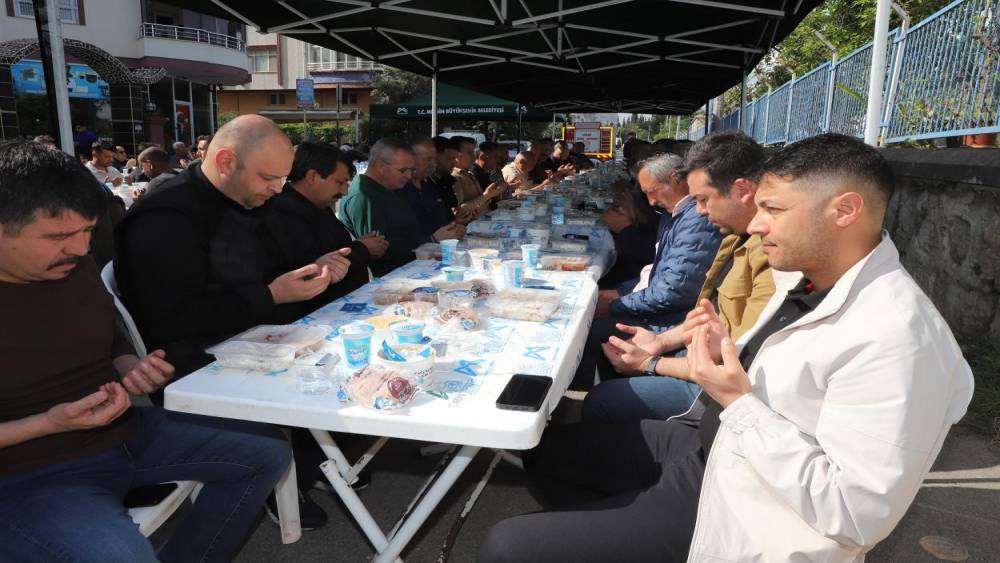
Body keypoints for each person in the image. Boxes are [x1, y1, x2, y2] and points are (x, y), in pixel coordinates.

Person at [479, 133, 975, 563]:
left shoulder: (899, 338)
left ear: (844, 211)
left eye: (774, 210)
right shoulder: (813, 278)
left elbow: (853, 513)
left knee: (506, 546)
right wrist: (713, 352)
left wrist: (737, 401)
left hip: (749, 506)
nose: (756, 225)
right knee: (545, 451)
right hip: (715, 449)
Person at [0, 141, 291, 563]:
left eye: (87, 231)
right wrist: (48, 422)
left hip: (121, 432)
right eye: (59, 236)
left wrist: (129, 367)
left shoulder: (72, 264)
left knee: (265, 453)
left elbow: (109, 333)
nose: (81, 249)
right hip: (30, 473)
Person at [587, 131, 774, 423]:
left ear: (742, 190)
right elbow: (705, 314)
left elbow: (730, 360)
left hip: (708, 392)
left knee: (601, 400)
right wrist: (660, 342)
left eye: (702, 199)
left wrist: (651, 362)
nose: (699, 210)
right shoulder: (735, 236)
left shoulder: (768, 252)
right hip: (687, 348)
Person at [572, 153, 721, 390]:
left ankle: (611, 394)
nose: (651, 202)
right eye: (646, 194)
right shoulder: (674, 214)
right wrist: (621, 292)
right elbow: (657, 272)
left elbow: (672, 292)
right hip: (665, 314)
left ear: (675, 179)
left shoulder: (696, 220)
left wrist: (615, 306)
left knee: (588, 333)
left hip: (672, 320)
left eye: (653, 192)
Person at [261, 140, 385, 303]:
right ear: (312, 176)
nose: (345, 191)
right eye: (340, 182)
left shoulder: (318, 204)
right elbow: (312, 266)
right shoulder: (282, 213)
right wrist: (362, 248)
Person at [337, 138, 465, 276]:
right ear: (380, 166)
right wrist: (430, 240)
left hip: (411, 268)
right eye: (403, 170)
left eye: (411, 170)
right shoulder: (364, 196)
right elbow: (379, 249)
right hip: (391, 277)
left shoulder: (389, 188)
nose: (408, 176)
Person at [399, 138, 453, 236]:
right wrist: (433, 238)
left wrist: (455, 223)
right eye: (427, 159)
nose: (434, 164)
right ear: (410, 159)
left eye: (434, 159)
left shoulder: (429, 185)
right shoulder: (397, 189)